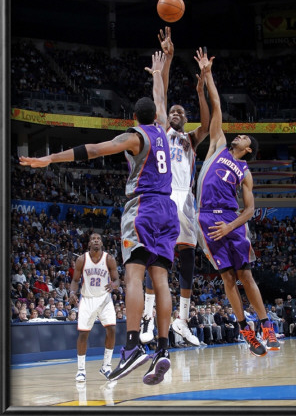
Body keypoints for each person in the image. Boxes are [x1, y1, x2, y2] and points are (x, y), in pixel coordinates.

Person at [20, 50, 179, 386]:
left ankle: (134, 344)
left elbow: (92, 149)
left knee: (134, 275)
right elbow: (161, 101)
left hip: (144, 208)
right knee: (161, 280)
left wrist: (50, 159)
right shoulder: (164, 130)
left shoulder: (135, 136)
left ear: (134, 116)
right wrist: (158, 74)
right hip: (169, 211)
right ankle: (164, 347)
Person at [194, 47, 280, 356]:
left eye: (244, 137)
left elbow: (251, 210)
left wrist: (230, 225)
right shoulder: (217, 143)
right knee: (227, 277)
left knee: (246, 274)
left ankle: (266, 325)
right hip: (206, 218)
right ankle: (245, 328)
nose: (239, 135)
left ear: (248, 149)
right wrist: (208, 74)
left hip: (231, 220)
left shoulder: (245, 172)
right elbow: (216, 105)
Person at [141, 27, 210, 348]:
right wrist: (166, 60)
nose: (176, 113)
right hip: (165, 198)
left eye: (182, 112)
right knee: (158, 256)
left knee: (187, 257)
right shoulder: (163, 133)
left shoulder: (191, 139)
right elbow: (162, 95)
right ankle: (146, 316)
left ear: (187, 118)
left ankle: (182, 320)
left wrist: (200, 91)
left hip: (188, 202)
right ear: (167, 119)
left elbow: (207, 125)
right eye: (172, 112)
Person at [68, 232, 120, 382]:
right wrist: (72, 292)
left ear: (102, 243)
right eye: (93, 239)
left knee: (111, 329)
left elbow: (117, 279)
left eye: (98, 239)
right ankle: (81, 370)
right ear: (89, 243)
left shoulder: (109, 259)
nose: (96, 241)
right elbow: (75, 280)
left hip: (104, 299)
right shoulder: (81, 259)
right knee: (83, 334)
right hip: (88, 299)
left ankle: (107, 366)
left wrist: (114, 285)